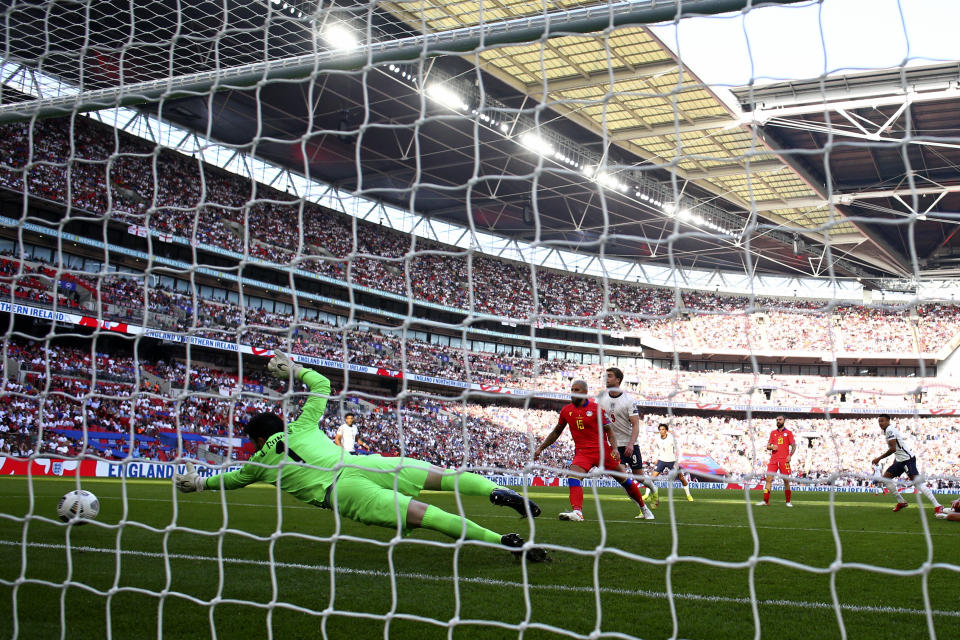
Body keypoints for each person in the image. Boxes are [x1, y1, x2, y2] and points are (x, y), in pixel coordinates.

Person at [175, 351, 547, 562]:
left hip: (340, 492)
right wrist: (294, 369)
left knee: (425, 516)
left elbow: (228, 480)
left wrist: (197, 483)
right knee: (442, 476)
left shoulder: (258, 463)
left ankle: (504, 541)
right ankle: (497, 490)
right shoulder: (302, 425)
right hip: (359, 463)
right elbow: (322, 385)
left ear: (258, 438)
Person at [533, 379, 654, 522]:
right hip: (583, 453)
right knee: (573, 477)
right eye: (572, 389)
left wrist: (614, 448)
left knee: (625, 481)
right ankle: (577, 512)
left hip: (603, 452)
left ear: (584, 393)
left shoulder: (597, 409)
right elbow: (556, 432)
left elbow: (610, 431)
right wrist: (540, 448)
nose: (573, 392)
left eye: (577, 390)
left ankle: (643, 508)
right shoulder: (566, 410)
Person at [597, 367, 659, 509]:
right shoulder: (601, 399)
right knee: (623, 480)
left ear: (618, 380)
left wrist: (631, 444)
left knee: (639, 476)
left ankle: (654, 490)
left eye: (610, 376)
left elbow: (636, 424)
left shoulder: (628, 400)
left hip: (630, 444)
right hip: (614, 446)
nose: (607, 379)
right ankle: (642, 508)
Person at [871, 414, 943, 515]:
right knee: (886, 478)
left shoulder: (889, 430)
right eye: (879, 421)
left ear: (888, 421)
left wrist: (878, 458)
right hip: (900, 460)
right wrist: (895, 460)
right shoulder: (887, 430)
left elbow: (893, 448)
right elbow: (898, 447)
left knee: (917, 484)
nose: (880, 423)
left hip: (908, 460)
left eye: (882, 421)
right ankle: (901, 502)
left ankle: (938, 506)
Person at [758, 415, 796, 507]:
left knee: (786, 481)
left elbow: (794, 445)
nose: (778, 421)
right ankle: (765, 501)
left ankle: (788, 502)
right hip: (773, 460)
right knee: (768, 479)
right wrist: (771, 447)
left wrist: (790, 455)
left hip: (784, 460)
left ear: (784, 421)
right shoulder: (773, 433)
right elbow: (768, 446)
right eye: (777, 420)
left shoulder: (789, 433)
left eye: (780, 419)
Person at [649, 423, 693, 502]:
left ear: (666, 430)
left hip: (672, 461)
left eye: (663, 429)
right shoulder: (657, 438)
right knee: (652, 477)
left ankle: (689, 495)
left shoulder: (671, 438)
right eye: (660, 430)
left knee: (681, 477)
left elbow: (677, 449)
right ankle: (646, 495)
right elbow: (656, 448)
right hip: (661, 460)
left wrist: (677, 461)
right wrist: (655, 458)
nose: (661, 431)